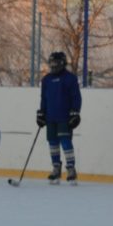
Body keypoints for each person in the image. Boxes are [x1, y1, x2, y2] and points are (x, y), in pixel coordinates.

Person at [37, 49, 82, 184]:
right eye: (51, 63)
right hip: (51, 117)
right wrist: (41, 112)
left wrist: (75, 112)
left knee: (65, 141)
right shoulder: (46, 80)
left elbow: (76, 97)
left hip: (64, 117)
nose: (53, 65)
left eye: (56, 63)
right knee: (53, 143)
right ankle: (56, 168)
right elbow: (44, 98)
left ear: (62, 63)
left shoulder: (70, 78)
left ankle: (71, 169)